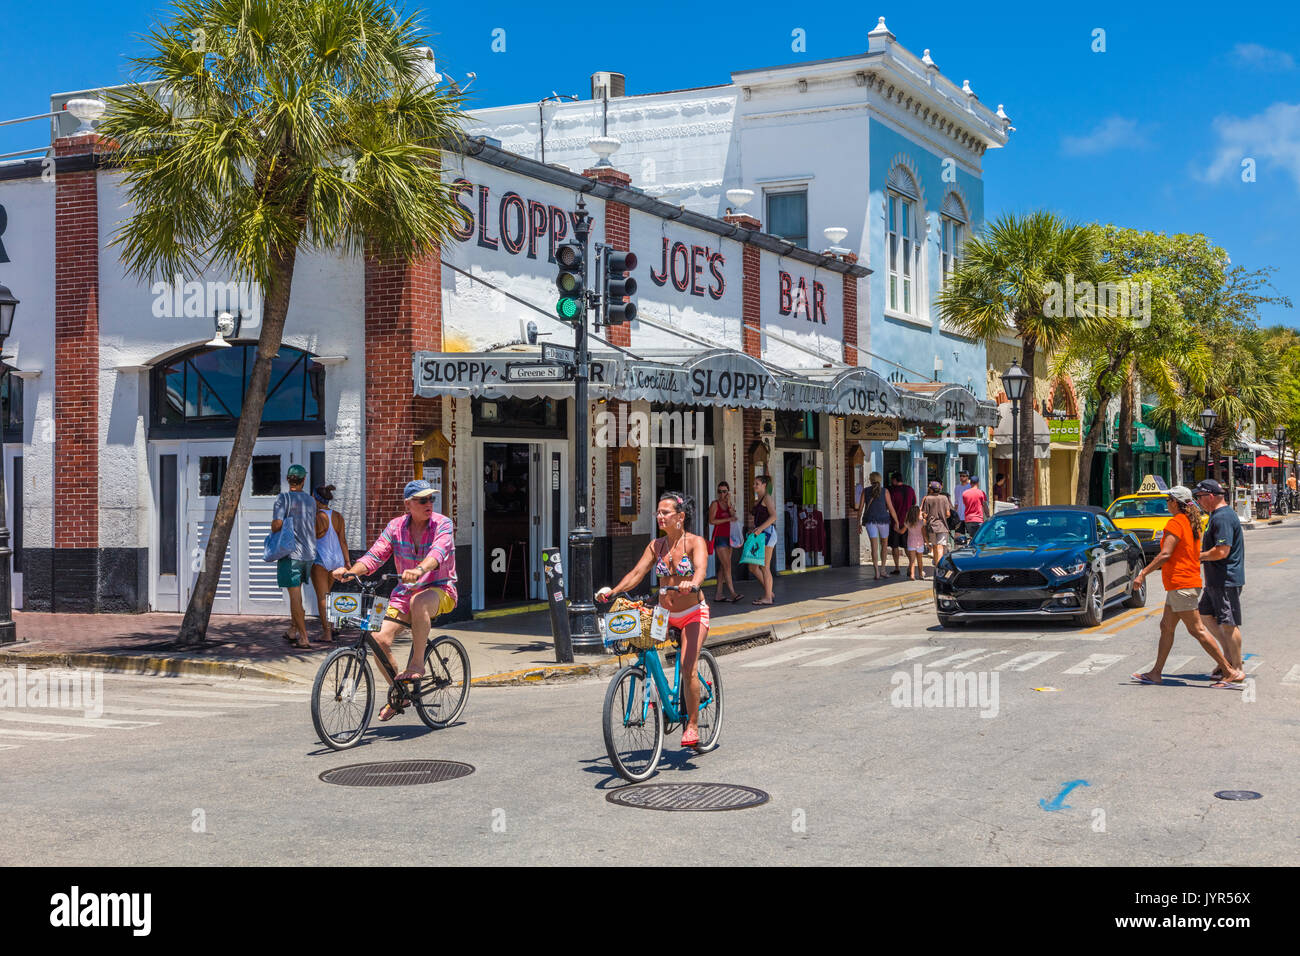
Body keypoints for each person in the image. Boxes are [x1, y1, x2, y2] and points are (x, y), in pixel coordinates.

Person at [332, 480, 458, 721]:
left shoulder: (443, 524)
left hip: (440, 589)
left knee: (419, 601)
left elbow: (438, 553)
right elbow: (375, 555)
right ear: (408, 504)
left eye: (431, 499)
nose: (428, 504)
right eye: (422, 500)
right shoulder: (395, 527)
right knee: (378, 638)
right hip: (404, 593)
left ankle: (417, 664)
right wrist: (351, 572)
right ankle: (400, 693)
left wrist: (420, 570)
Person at [597, 493, 710, 748]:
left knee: (687, 665)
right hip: (663, 615)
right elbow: (637, 573)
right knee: (641, 647)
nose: (660, 516)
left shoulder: (695, 542)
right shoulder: (656, 546)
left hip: (693, 613)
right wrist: (613, 592)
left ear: (680, 517)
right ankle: (654, 692)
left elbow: (701, 568)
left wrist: (693, 582)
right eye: (658, 512)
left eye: (666, 512)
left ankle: (692, 724)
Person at [1131, 486, 1245, 687]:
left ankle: (1229, 671)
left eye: (1168, 500)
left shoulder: (1176, 523)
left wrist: (1143, 573)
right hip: (1181, 583)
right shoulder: (1191, 522)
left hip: (1181, 584)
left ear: (1175, 503)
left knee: (1197, 630)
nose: (1167, 504)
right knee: (1166, 627)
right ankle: (1156, 672)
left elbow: (1166, 554)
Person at [1193, 479, 1246, 681]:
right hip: (1216, 580)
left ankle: (1237, 668)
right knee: (1205, 613)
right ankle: (1228, 657)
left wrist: (1197, 556)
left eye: (1200, 497)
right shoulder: (1216, 515)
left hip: (1226, 579)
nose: (1199, 501)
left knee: (1228, 623)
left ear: (1211, 496)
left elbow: (1222, 551)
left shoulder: (1222, 517)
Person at [272, 464, 318, 649]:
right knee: (296, 593)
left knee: (295, 597)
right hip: (309, 553)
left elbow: (276, 524)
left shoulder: (283, 499)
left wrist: (276, 528)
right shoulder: (311, 500)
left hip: (291, 553)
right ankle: (292, 629)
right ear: (304, 480)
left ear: (287, 479)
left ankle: (304, 637)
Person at [309, 484, 351, 644]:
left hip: (321, 559)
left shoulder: (316, 516)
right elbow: (343, 540)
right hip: (337, 559)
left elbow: (312, 539)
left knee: (322, 596)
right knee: (329, 595)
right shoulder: (338, 516)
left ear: (316, 499)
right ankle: (332, 626)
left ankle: (326, 633)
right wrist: (347, 562)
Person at [856, 471, 898, 580]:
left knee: (873, 547)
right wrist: (897, 521)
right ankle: (883, 569)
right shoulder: (885, 491)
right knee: (884, 545)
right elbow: (891, 508)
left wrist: (858, 523)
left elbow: (860, 509)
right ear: (879, 479)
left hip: (870, 521)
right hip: (884, 520)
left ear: (870, 480)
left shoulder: (865, 491)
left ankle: (876, 572)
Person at [707, 482, 743, 603]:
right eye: (720, 491)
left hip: (730, 538)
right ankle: (733, 593)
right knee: (727, 566)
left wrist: (728, 504)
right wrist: (728, 519)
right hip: (720, 538)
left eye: (724, 491)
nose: (722, 494)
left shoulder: (729, 504)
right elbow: (711, 521)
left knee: (723, 567)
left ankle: (719, 594)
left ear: (728, 492)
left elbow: (734, 516)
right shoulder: (714, 504)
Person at [750, 475, 778, 604]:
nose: (754, 486)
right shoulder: (758, 498)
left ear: (764, 485)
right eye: (754, 483)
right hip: (759, 534)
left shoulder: (767, 498)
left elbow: (773, 517)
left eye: (757, 484)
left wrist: (760, 528)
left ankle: (767, 597)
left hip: (767, 533)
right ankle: (769, 591)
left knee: (765, 567)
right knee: (753, 567)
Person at [886, 473, 917, 575]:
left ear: (894, 480)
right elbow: (914, 504)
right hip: (907, 522)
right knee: (907, 546)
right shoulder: (910, 490)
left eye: (892, 480)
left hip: (894, 522)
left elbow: (888, 506)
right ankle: (910, 566)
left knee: (895, 546)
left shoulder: (891, 491)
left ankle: (897, 567)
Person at [921, 480, 953, 571]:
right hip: (942, 526)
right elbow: (948, 513)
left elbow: (925, 514)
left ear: (931, 489)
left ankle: (936, 566)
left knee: (935, 546)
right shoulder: (944, 498)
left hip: (931, 526)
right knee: (940, 547)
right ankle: (939, 568)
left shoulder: (927, 499)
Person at [903, 505, 926, 580]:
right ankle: (920, 575)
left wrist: (897, 529)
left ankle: (912, 575)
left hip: (911, 543)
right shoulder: (921, 523)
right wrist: (927, 542)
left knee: (912, 560)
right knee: (920, 560)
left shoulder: (907, 522)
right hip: (920, 543)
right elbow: (924, 533)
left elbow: (902, 531)